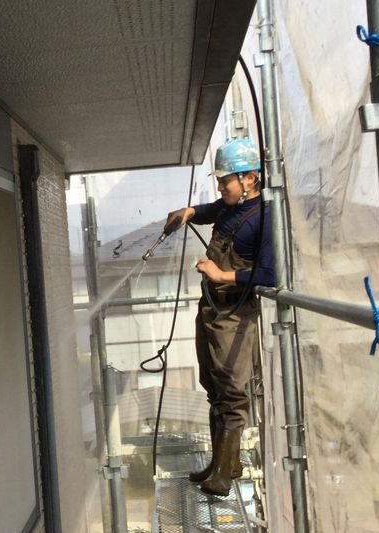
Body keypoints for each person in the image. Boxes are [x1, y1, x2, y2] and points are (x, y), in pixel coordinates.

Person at [165, 138, 274, 497]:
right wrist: (190, 212)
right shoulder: (230, 206)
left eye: (225, 179)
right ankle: (222, 463)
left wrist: (220, 275)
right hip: (211, 309)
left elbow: (270, 276)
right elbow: (213, 208)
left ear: (249, 178)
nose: (220, 186)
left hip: (235, 315)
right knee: (212, 385)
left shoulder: (264, 217)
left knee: (231, 391)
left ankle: (224, 477)